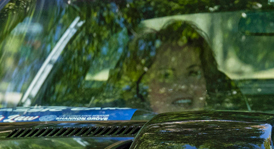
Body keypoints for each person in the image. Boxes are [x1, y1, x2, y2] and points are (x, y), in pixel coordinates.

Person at [99, 21, 245, 113]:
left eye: (193, 73)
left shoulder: (232, 138)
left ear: (207, 82)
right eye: (166, 75)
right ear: (141, 88)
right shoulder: (115, 139)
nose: (182, 85)